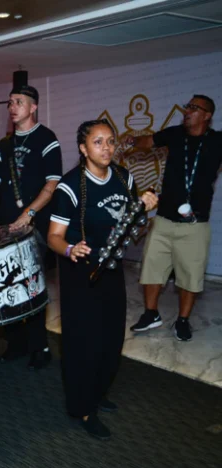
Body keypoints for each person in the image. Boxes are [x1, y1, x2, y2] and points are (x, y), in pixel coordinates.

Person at [48, 119, 158, 439]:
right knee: (84, 344)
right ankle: (82, 408)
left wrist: (144, 211)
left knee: (110, 340)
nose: (106, 148)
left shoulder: (124, 178)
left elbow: (134, 231)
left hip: (111, 270)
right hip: (79, 272)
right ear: (83, 149)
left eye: (110, 141)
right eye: (98, 142)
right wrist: (70, 249)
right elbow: (53, 235)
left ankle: (98, 393)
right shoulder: (70, 186)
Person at [0, 85, 62, 369]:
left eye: (19, 102)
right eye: (11, 102)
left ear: (33, 107)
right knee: (7, 286)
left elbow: (52, 185)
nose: (12, 107)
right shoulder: (4, 146)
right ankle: (16, 344)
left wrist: (29, 213)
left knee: (32, 286)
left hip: (34, 227)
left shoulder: (47, 139)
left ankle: (40, 346)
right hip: (5, 227)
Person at [127, 94, 222, 342]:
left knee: (190, 277)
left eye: (193, 107)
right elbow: (148, 142)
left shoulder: (218, 141)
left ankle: (182, 320)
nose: (187, 110)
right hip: (164, 220)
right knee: (151, 270)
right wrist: (131, 140)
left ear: (207, 115)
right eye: (187, 106)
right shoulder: (175, 134)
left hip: (195, 224)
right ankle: (150, 314)